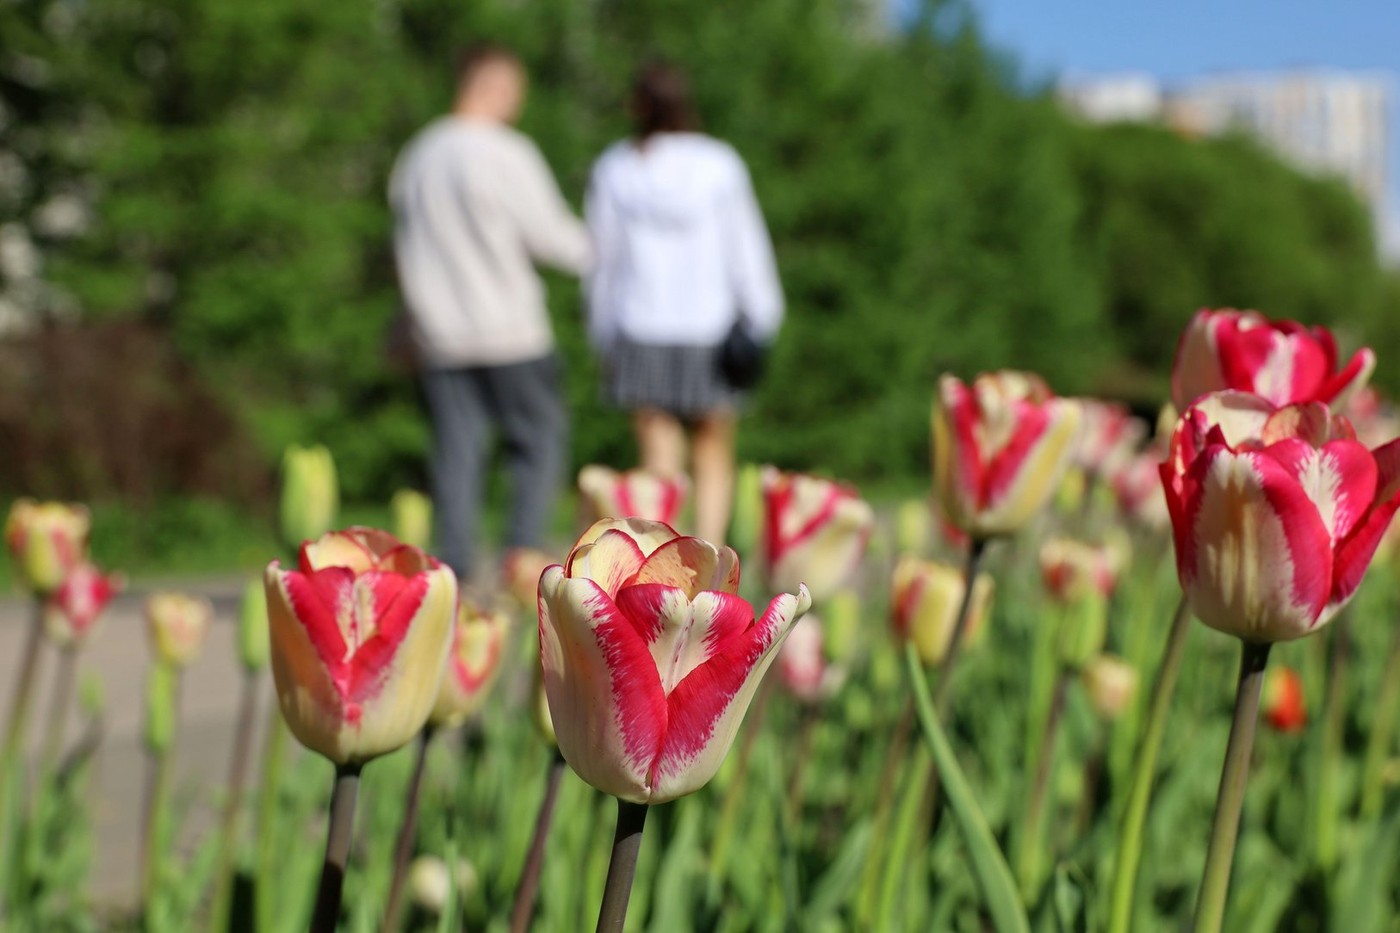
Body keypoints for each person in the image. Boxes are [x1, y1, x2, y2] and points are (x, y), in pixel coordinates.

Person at [390, 43, 590, 581]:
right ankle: (520, 562)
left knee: (457, 454)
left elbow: (404, 249)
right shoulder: (505, 152)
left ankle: (452, 571)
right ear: (495, 83)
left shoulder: (418, 156)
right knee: (537, 444)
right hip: (511, 331)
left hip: (440, 333)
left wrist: (402, 324)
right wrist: (610, 255)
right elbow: (551, 237)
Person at [585, 61, 783, 544]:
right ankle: (712, 555)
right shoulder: (719, 164)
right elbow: (746, 246)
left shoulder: (617, 168)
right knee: (715, 453)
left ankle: (664, 558)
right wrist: (762, 314)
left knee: (659, 465)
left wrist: (601, 332)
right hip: (709, 327)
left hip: (641, 324)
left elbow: (602, 260)